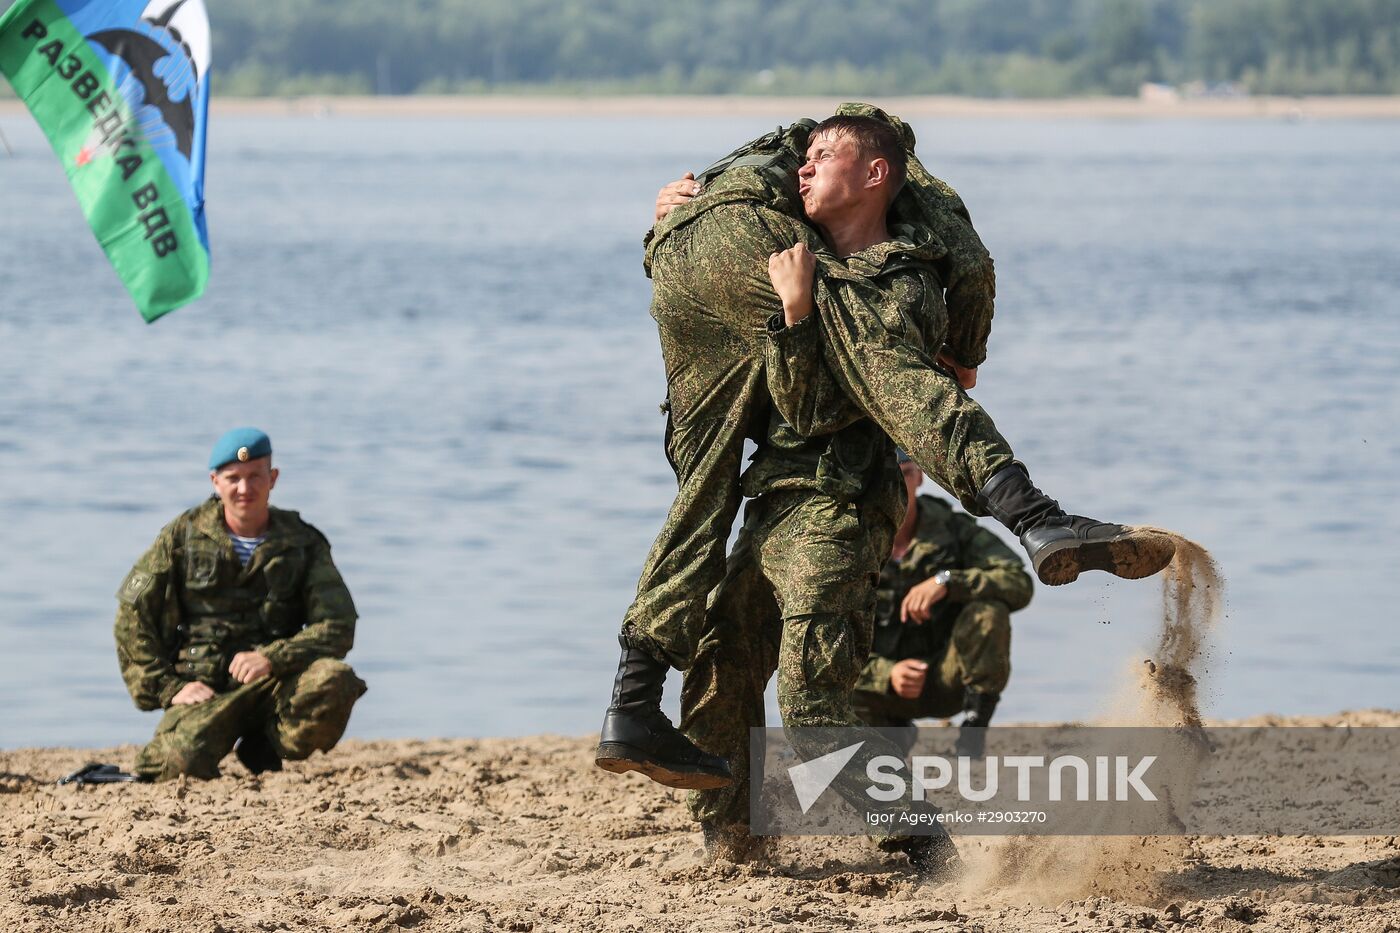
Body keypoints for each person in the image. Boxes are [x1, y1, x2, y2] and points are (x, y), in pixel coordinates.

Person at [597, 108, 1176, 803]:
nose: (803, 167)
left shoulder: (899, 285)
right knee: (721, 667)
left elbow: (889, 392)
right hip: (771, 499)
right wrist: (680, 217)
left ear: (874, 176)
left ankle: (919, 837)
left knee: (814, 710)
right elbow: (793, 395)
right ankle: (732, 839)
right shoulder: (799, 249)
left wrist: (808, 313)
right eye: (802, 157)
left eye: (823, 156)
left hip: (837, 503)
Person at [114, 428, 367, 781]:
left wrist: (272, 658)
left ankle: (265, 745)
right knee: (173, 765)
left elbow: (338, 625)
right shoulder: (181, 536)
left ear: (273, 478)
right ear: (215, 482)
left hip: (275, 683)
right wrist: (168, 688)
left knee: (335, 681)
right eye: (233, 478)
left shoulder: (303, 543)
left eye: (255, 477)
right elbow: (132, 611)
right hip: (206, 688)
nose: (245, 489)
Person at [852, 454, 1033, 759]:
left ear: (919, 476)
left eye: (905, 473)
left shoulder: (952, 530)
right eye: (887, 475)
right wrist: (888, 674)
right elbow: (825, 638)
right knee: (826, 678)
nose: (898, 485)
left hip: (947, 679)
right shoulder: (851, 540)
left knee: (989, 612)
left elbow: (1018, 581)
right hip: (877, 686)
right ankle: (891, 735)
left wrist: (948, 582)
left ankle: (974, 731)